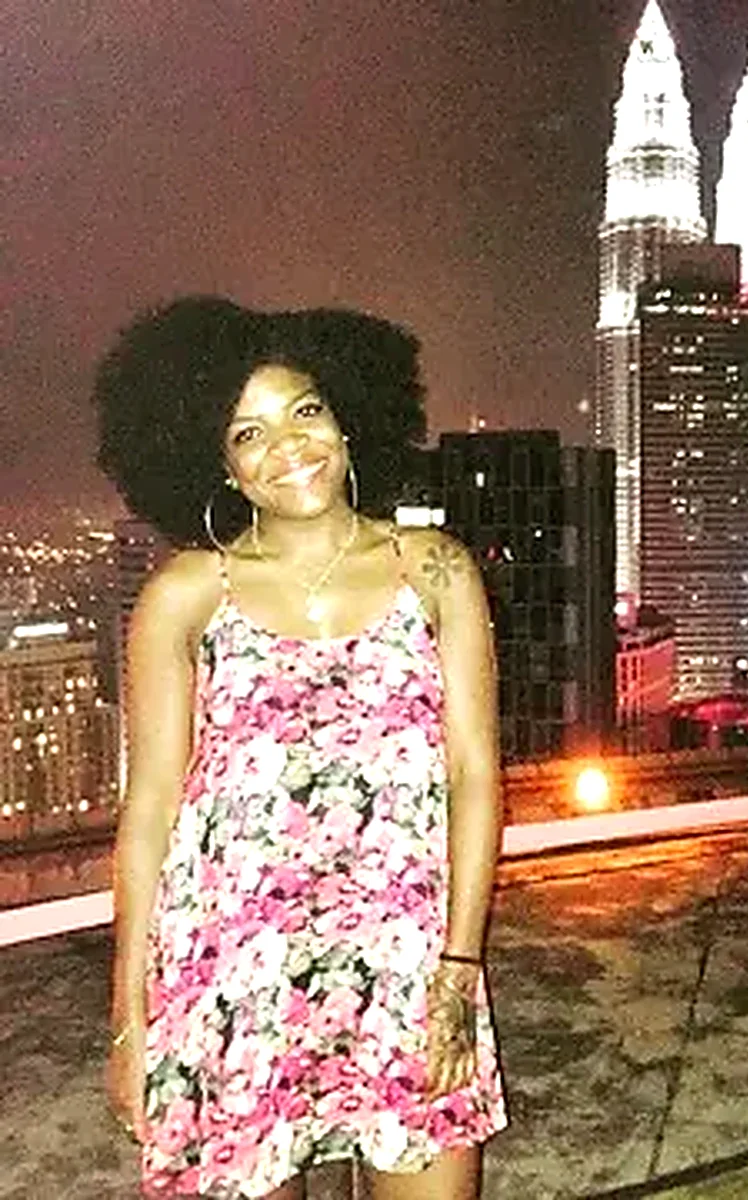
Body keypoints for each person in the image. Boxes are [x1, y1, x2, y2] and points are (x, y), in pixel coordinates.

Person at [96, 297, 507, 1199]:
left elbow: (476, 775)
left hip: (407, 959)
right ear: (224, 469)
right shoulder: (186, 594)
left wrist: (460, 966)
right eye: (249, 433)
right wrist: (132, 1021)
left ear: (350, 422)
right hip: (235, 969)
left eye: (306, 411)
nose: (289, 446)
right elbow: (152, 812)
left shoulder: (432, 568)